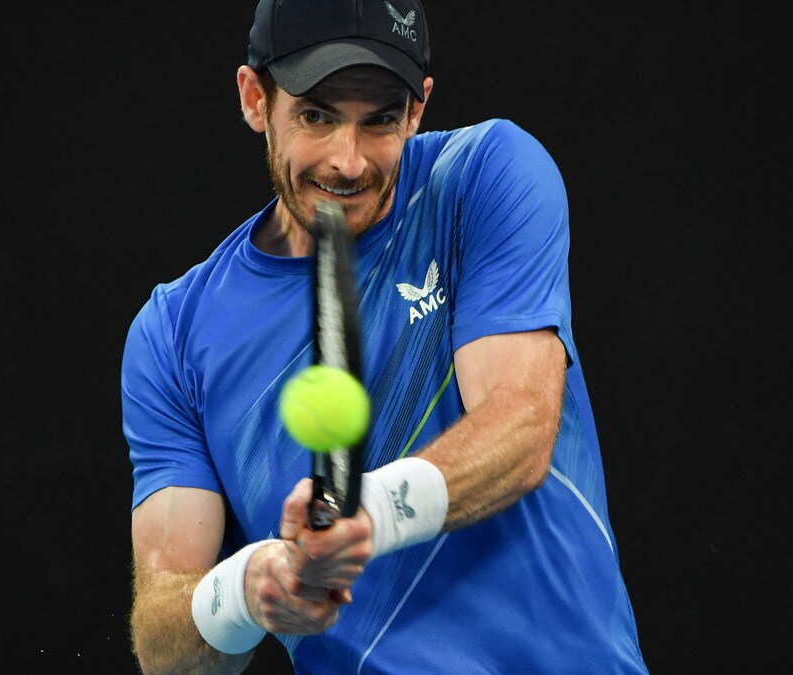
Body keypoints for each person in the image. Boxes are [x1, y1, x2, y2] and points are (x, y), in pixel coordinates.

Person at [121, 0, 648, 672]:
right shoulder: (171, 335)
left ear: (418, 108)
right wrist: (247, 590)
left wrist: (365, 514)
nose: (348, 163)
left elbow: (520, 425)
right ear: (255, 100)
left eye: (379, 120)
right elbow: (163, 648)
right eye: (316, 116)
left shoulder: (484, 175)